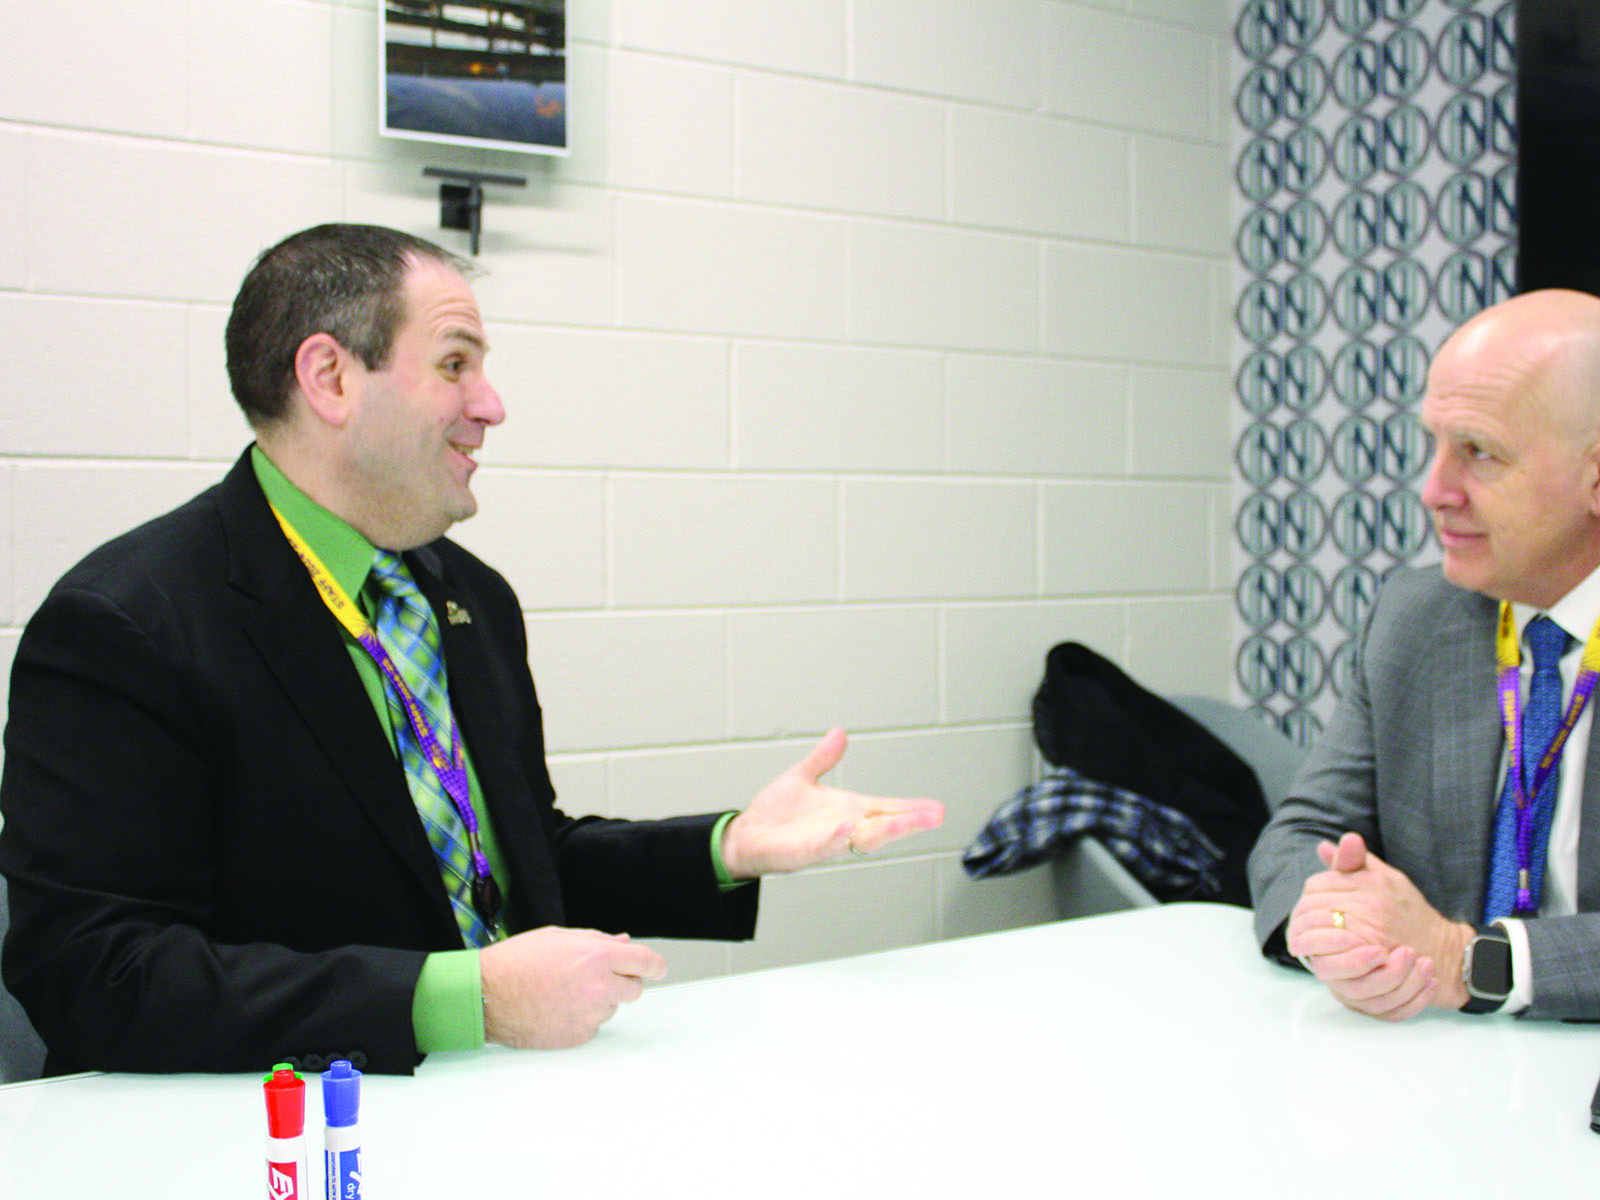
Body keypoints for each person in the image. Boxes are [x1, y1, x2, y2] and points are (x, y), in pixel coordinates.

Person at [0, 223, 944, 1076]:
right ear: (329, 378)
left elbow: (524, 859)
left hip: (485, 1115)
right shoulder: (124, 625)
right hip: (266, 1140)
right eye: (455, 364)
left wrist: (728, 846)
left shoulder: (467, 596)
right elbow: (96, 972)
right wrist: (465, 1000)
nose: (491, 405)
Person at [1248, 288, 1600, 1025]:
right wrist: (1335, 935)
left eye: (1479, 452)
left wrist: (1472, 960)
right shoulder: (1413, 616)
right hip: (1440, 1065)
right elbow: (1300, 837)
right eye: (1434, 443)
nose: (1434, 491)